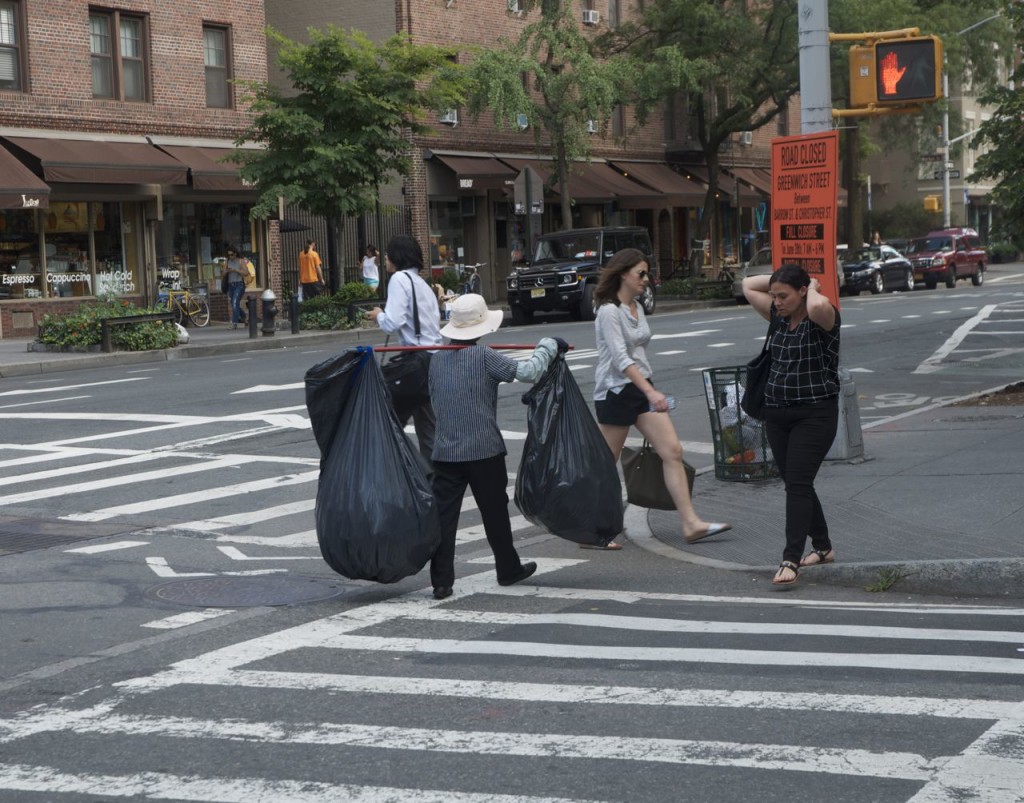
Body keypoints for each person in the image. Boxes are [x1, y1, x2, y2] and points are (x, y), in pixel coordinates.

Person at [427, 293, 565, 599]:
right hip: (483, 449)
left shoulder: (435, 360)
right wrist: (549, 346)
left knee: (444, 517)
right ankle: (507, 568)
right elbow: (529, 372)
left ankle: (441, 581)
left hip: (446, 450)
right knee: (494, 512)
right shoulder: (484, 356)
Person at [593, 248, 731, 551]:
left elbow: (637, 353)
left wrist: (648, 389)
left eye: (647, 273)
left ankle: (691, 524)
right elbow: (619, 358)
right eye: (640, 273)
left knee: (673, 451)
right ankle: (592, 529)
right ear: (622, 274)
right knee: (605, 463)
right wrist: (651, 391)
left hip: (640, 387)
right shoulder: (608, 311)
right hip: (615, 391)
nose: (646, 279)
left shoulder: (637, 308)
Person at [742, 264, 841, 587]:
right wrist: (782, 276)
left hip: (814, 415)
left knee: (797, 485)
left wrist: (812, 285)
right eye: (774, 296)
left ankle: (791, 558)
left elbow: (815, 305)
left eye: (783, 296)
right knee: (797, 484)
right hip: (777, 414)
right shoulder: (779, 320)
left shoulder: (822, 319)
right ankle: (824, 547)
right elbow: (747, 285)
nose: (777, 301)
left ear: (802, 292)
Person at [369, 235, 443, 459]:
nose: (385, 260)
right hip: (434, 359)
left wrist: (379, 315)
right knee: (428, 426)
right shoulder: (422, 284)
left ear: (396, 257)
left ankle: (394, 473)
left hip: (415, 361)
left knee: (386, 419)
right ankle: (437, 482)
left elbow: (394, 322)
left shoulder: (400, 279)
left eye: (388, 254)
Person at [220, 246, 248, 329]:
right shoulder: (227, 261)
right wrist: (225, 271)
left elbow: (246, 273)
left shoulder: (241, 261)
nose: (230, 257)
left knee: (235, 302)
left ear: (235, 254)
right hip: (230, 285)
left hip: (239, 284)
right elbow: (223, 274)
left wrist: (236, 270)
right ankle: (244, 317)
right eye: (228, 255)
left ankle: (234, 323)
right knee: (233, 304)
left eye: (231, 255)